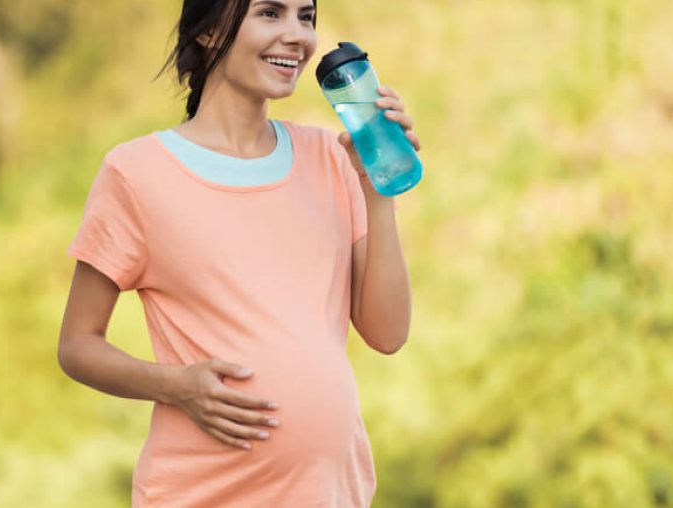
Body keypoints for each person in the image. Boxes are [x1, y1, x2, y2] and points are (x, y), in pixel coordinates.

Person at [57, 0, 419, 505]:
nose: (297, 35)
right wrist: (177, 385)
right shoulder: (137, 174)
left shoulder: (331, 159)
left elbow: (388, 333)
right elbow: (77, 345)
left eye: (306, 16)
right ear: (208, 31)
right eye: (270, 13)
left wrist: (377, 185)